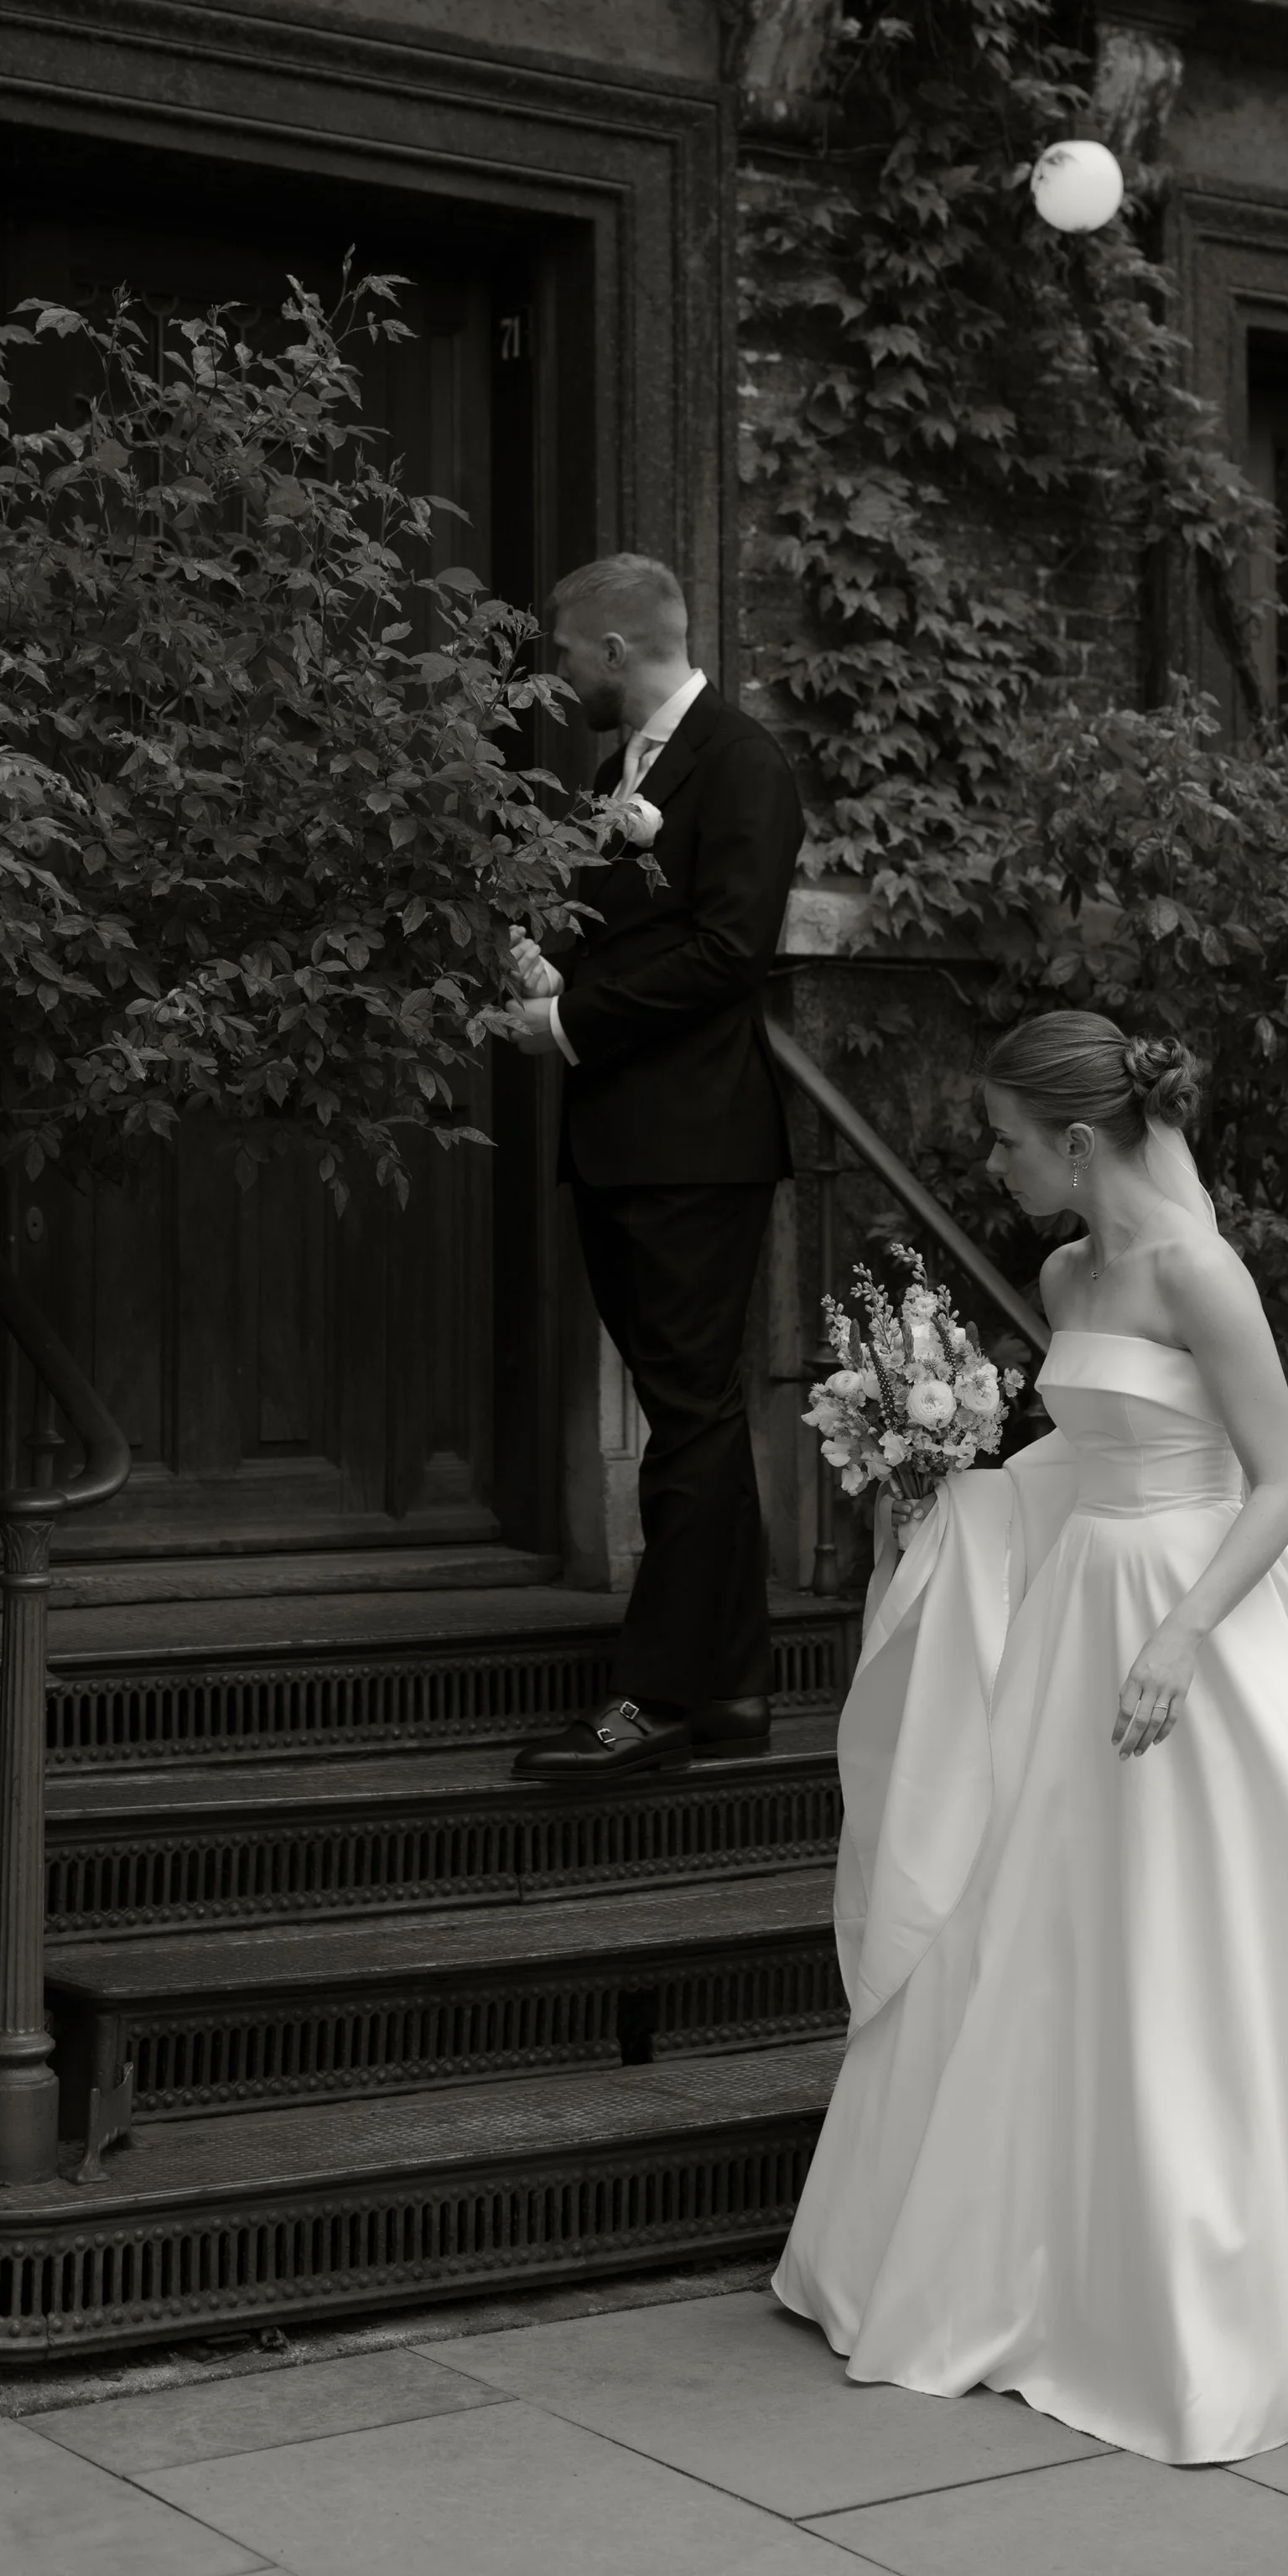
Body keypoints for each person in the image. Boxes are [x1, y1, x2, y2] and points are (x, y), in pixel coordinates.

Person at [773, 1010, 1288, 2465]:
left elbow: (1281, 1481)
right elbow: (1095, 1448)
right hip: (1074, 1623)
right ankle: (1040, 2262)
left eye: (1009, 1138)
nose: (996, 1160)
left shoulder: (1200, 1273)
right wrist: (956, 1487)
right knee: (1045, 1935)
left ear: (1083, 1141)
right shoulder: (1064, 1269)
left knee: (1245, 1937)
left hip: (1192, 1625)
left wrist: (1179, 1637)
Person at [505, 553, 804, 1783]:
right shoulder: (610, 774)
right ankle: (730, 1686)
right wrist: (552, 974)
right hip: (627, 1139)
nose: (556, 678)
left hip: (694, 1146)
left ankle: (659, 1698)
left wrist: (573, 1026)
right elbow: (645, 940)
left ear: (617, 652)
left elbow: (730, 953)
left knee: (686, 1418)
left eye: (567, 657)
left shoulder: (740, 762)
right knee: (697, 1416)